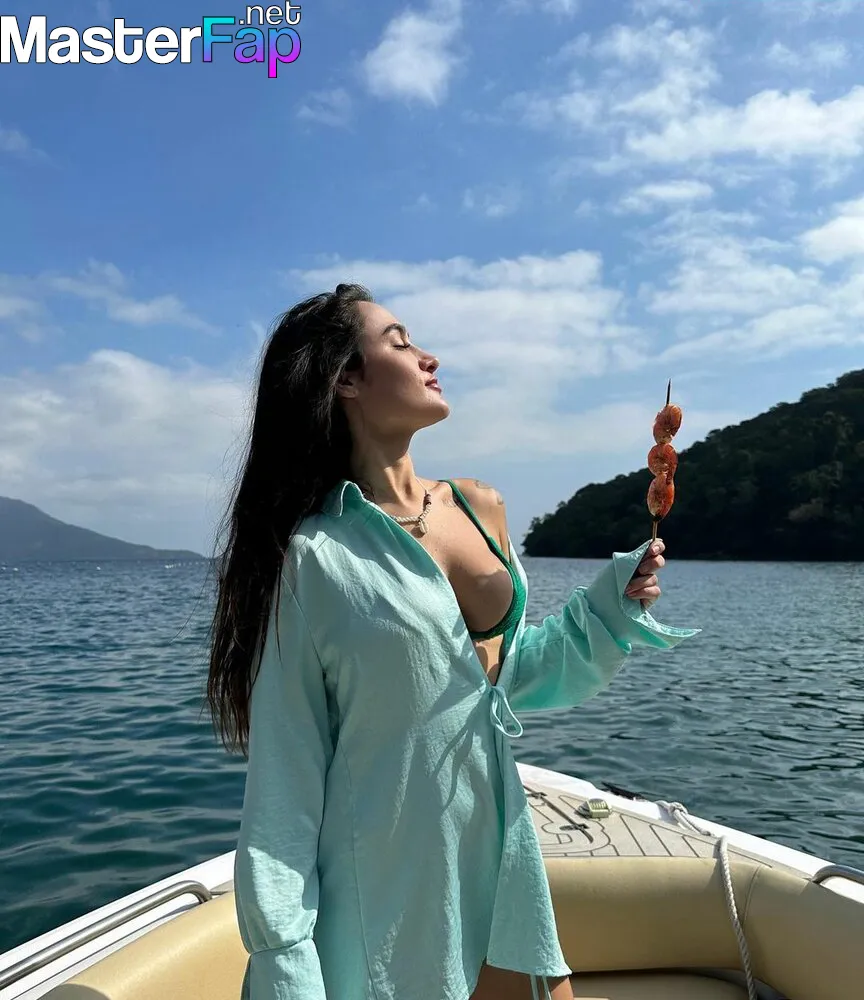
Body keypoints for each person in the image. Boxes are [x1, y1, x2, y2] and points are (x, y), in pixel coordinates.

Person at [206, 283, 699, 1000]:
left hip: (497, 851)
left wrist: (607, 606)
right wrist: (286, 959)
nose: (429, 356)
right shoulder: (313, 557)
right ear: (347, 379)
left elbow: (507, 677)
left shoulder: (479, 506)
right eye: (400, 342)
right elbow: (286, 777)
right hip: (382, 893)